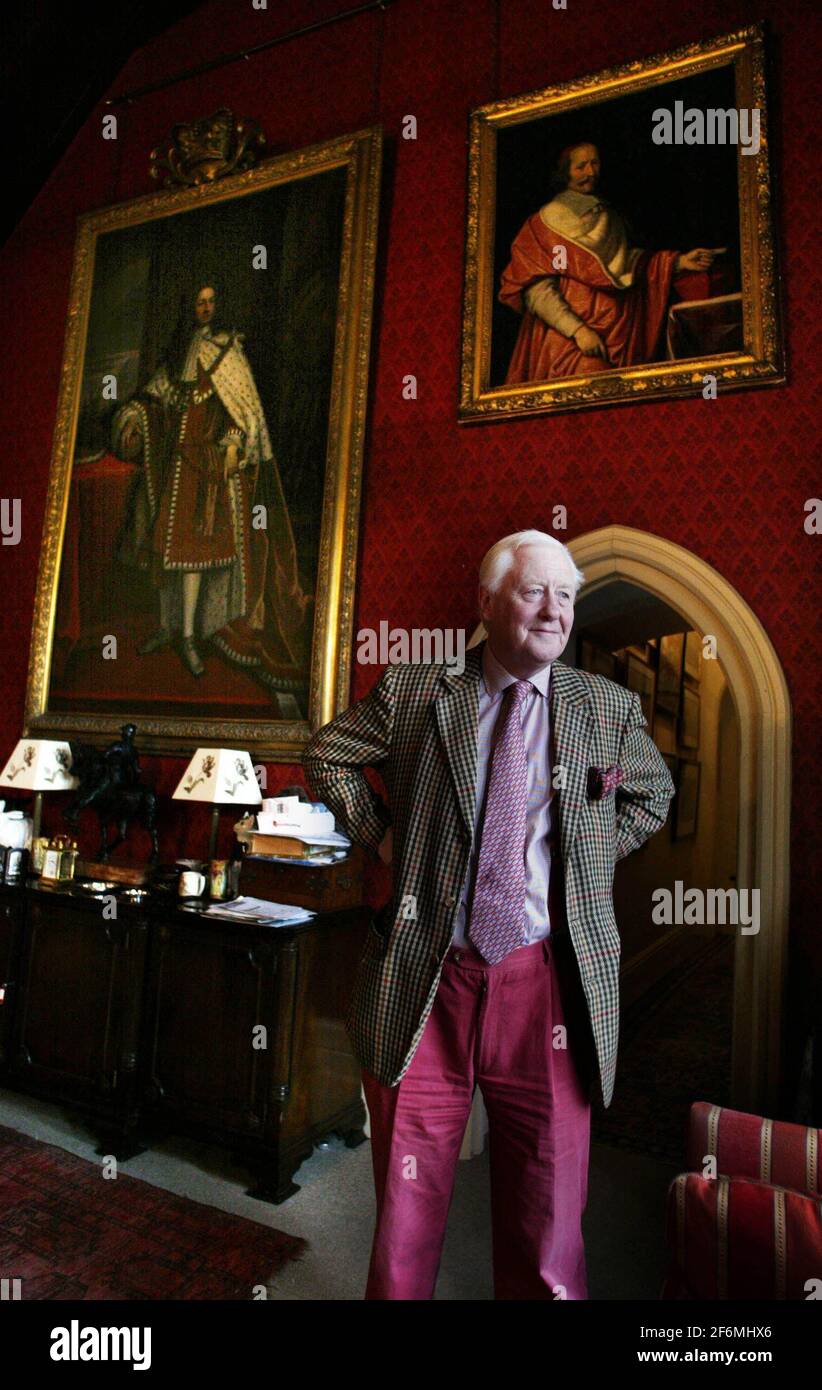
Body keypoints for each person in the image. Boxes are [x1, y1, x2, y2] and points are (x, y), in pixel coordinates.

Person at [302, 528, 675, 1300]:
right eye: (535, 591)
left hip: (546, 987)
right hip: (427, 978)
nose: (555, 611)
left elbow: (654, 794)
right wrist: (382, 838)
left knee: (548, 1214)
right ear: (488, 602)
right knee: (407, 1208)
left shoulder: (604, 708)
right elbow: (328, 752)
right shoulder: (415, 693)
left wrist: (588, 864)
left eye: (566, 596)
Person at [112, 283, 311, 681]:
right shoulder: (178, 351)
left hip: (209, 473)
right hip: (176, 468)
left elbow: (245, 413)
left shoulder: (226, 352)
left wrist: (234, 444)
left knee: (193, 554)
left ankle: (190, 635)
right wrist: (133, 416)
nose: (205, 308)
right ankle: (171, 626)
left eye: (210, 302)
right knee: (169, 551)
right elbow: (156, 397)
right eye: (198, 302)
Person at [498, 142, 723, 381]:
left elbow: (626, 264)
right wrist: (579, 331)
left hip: (619, 335)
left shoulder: (609, 217)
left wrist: (679, 262)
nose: (590, 172)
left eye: (594, 163)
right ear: (565, 172)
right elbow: (538, 292)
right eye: (581, 166)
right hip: (567, 339)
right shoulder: (542, 224)